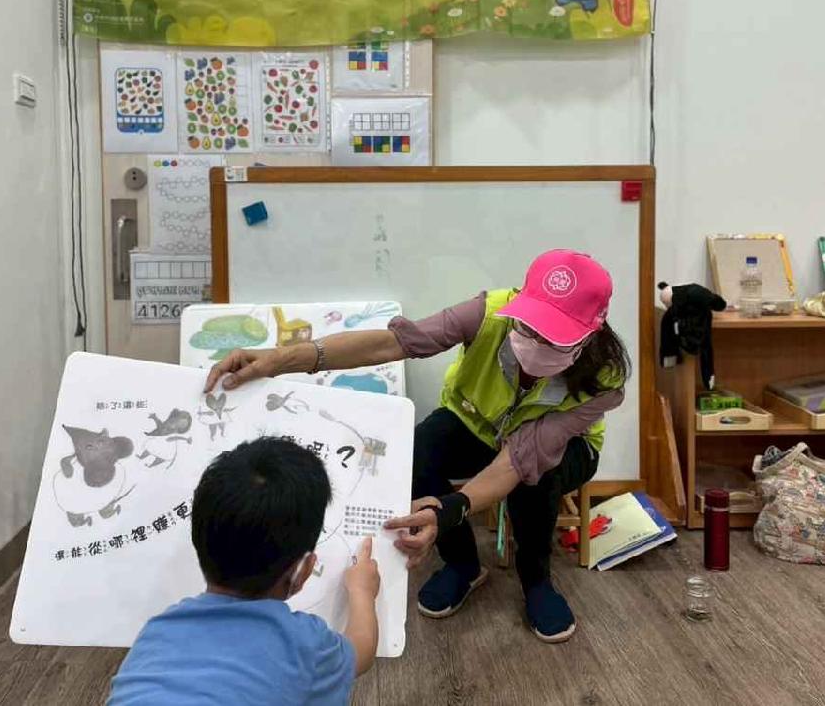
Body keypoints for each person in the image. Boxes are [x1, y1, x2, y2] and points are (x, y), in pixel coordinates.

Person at [206, 249, 629, 644]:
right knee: (418, 450)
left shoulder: (606, 379)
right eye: (528, 325)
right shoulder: (489, 314)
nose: (534, 342)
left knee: (536, 479)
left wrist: (449, 509)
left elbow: (518, 460)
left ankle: (536, 581)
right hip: (478, 423)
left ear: (590, 334)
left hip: (563, 450)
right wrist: (278, 360)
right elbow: (391, 343)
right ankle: (463, 564)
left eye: (553, 337)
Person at [108, 437, 380, 705]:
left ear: (200, 543)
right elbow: (361, 651)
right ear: (301, 572)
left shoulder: (156, 631)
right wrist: (362, 591)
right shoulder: (305, 644)